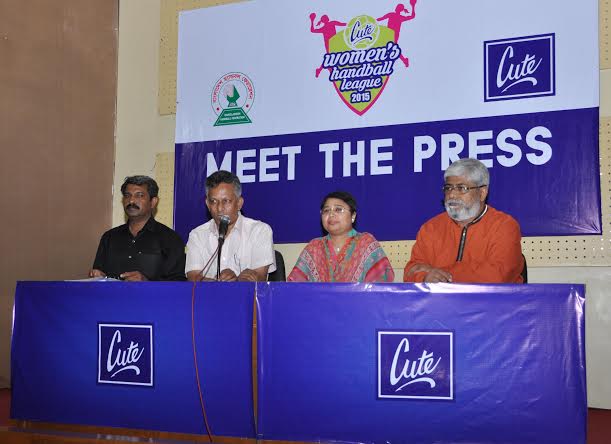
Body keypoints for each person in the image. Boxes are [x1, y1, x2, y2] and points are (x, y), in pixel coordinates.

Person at [404, 158, 524, 283]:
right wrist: (424, 277)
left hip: (493, 301)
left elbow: (498, 276)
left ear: (482, 193)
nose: (452, 195)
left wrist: (441, 273)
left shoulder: (504, 226)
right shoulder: (430, 228)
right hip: (441, 302)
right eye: (448, 188)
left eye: (462, 188)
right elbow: (410, 272)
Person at [90, 176, 186, 281]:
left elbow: (178, 284)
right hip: (113, 297)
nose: (131, 201)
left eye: (139, 195)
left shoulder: (170, 239)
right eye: (127, 195)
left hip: (152, 297)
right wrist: (98, 276)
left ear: (153, 202)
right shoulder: (109, 237)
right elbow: (99, 274)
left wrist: (146, 283)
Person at [185, 170, 275, 282]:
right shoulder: (197, 235)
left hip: (246, 298)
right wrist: (220, 285)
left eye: (226, 201)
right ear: (207, 204)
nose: (219, 208)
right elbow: (193, 277)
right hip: (208, 298)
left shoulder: (259, 231)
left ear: (239, 203)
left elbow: (260, 278)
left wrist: (236, 283)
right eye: (213, 201)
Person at [288, 191, 394, 282]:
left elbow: (381, 287)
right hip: (319, 305)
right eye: (326, 210)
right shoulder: (314, 247)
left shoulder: (366, 243)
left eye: (338, 209)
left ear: (353, 216)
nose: (331, 214)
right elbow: (294, 287)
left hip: (360, 305)